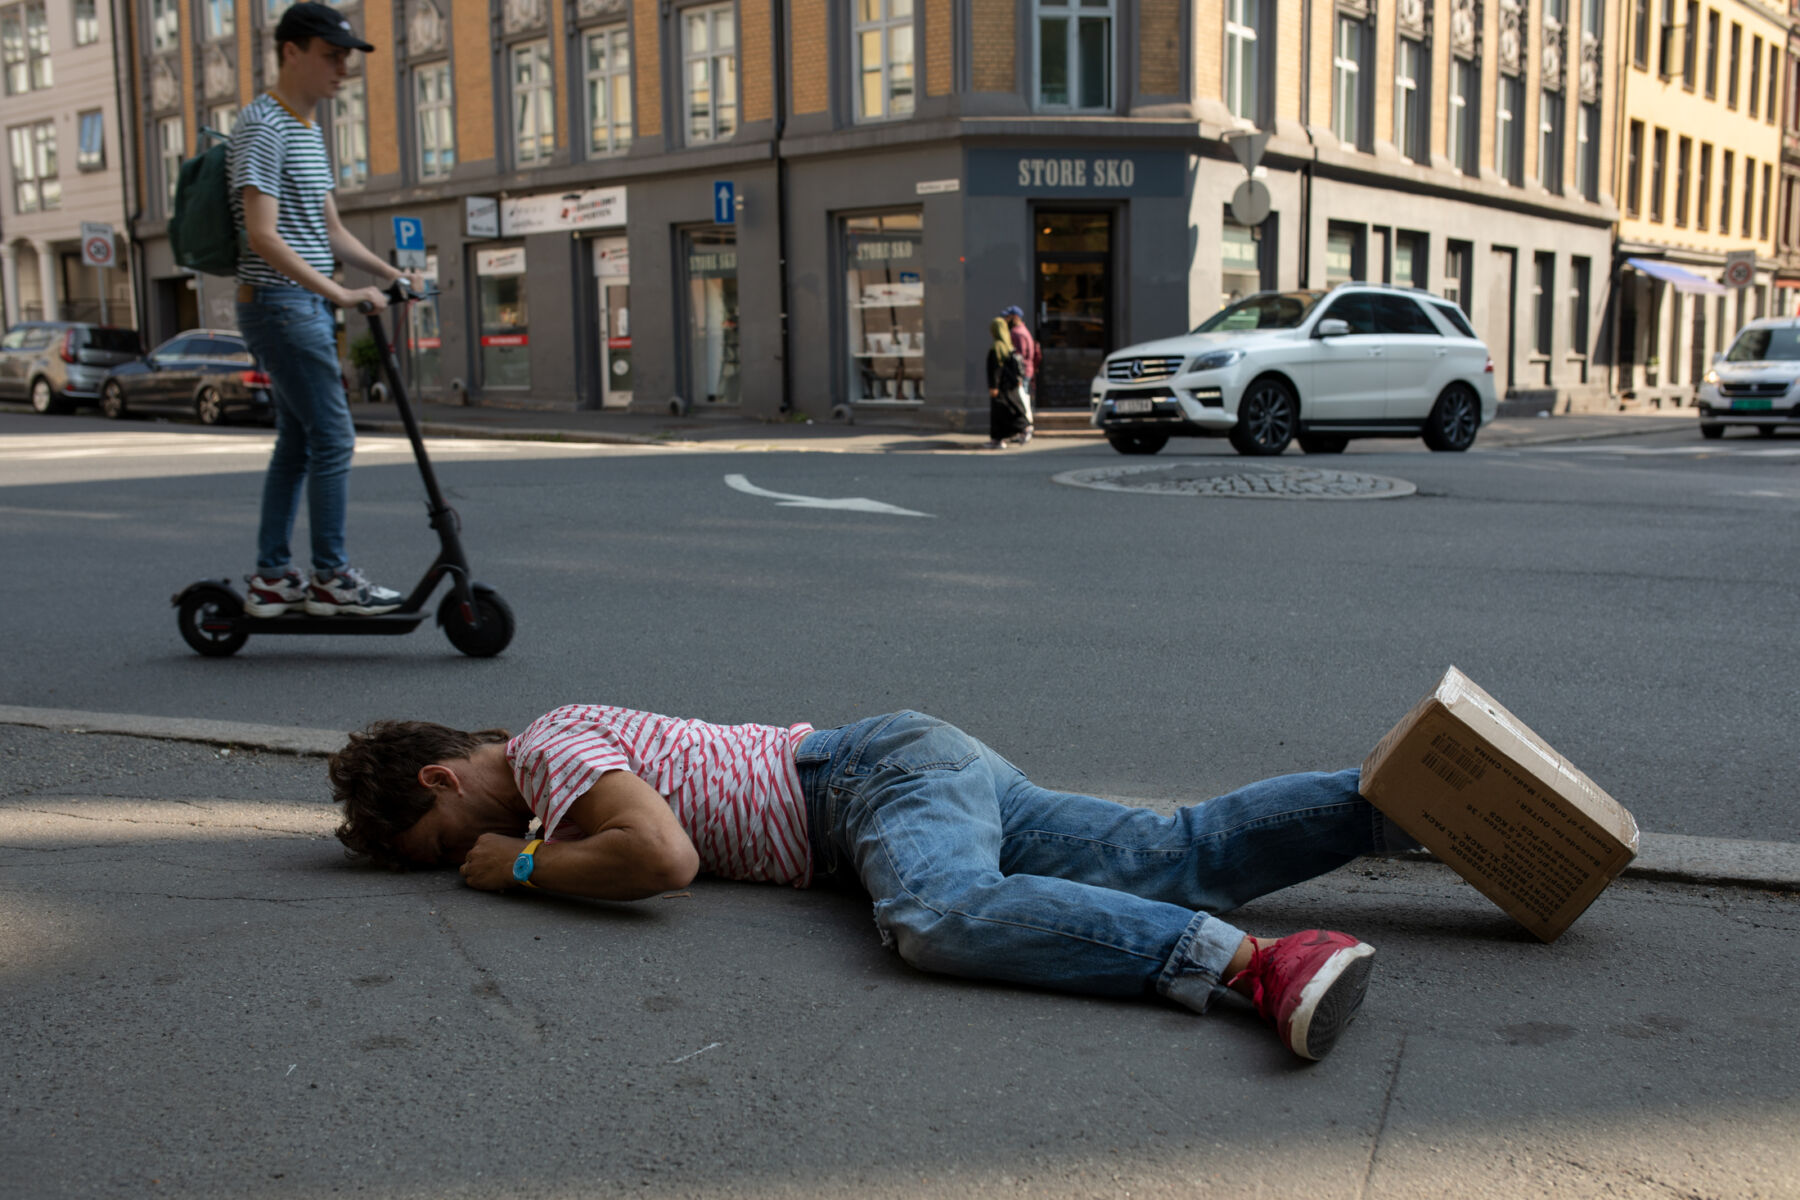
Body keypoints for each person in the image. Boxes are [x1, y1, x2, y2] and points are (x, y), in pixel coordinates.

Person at [329, 705, 1422, 1061]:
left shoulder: (543, 758)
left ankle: (1256, 964)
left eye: (440, 845)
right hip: (903, 769)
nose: (456, 866)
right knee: (1172, 852)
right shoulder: (558, 758)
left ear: (441, 778)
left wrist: (516, 863)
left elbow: (662, 859)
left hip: (868, 787)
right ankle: (1419, 799)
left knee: (935, 916)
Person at [231, 2, 416, 619]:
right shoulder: (263, 126)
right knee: (333, 438)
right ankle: (331, 578)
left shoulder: (306, 129)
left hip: (301, 306)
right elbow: (263, 234)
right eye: (331, 55)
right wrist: (339, 293)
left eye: (347, 58)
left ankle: (272, 578)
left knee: (298, 443)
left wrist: (390, 275)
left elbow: (328, 229)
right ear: (291, 51)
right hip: (283, 306)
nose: (343, 69)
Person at [984, 317, 1031, 450]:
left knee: (1000, 413)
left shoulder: (997, 348)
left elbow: (994, 368)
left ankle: (1001, 438)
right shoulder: (1008, 346)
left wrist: (993, 385)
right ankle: (1000, 438)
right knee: (1010, 410)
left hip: (1000, 388)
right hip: (1010, 387)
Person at [1001, 304, 1039, 440]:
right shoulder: (1023, 331)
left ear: (1015, 317)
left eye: (1008, 317)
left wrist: (1018, 376)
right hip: (1026, 371)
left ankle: (1025, 428)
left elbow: (1020, 356)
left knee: (1021, 401)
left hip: (1021, 373)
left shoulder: (1017, 332)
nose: (1006, 319)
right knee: (1023, 400)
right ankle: (1022, 429)